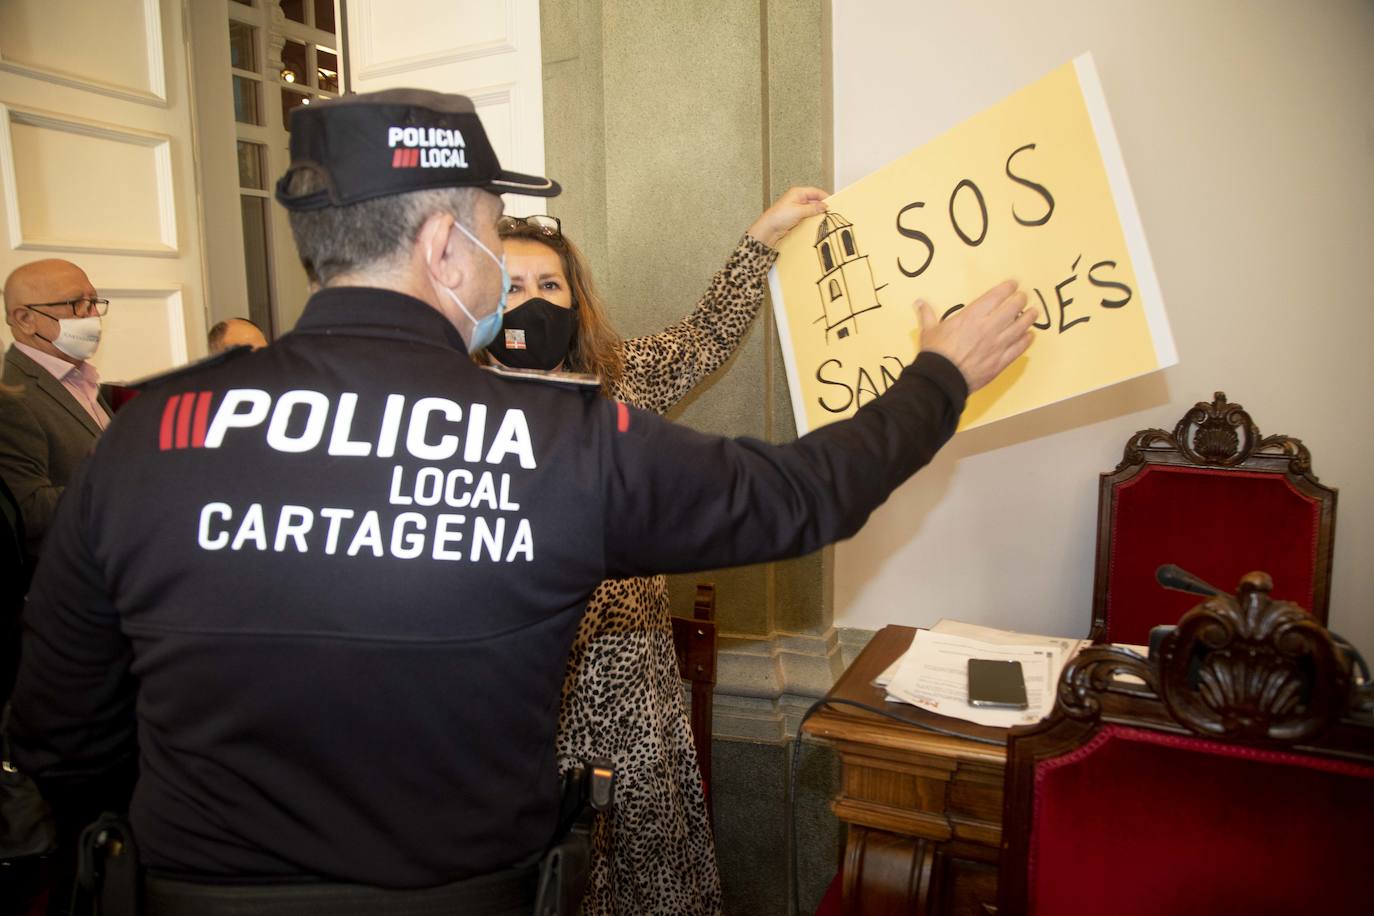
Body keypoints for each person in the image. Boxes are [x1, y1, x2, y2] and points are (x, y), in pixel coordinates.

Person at [8, 88, 1034, 915]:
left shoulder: (149, 432)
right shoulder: (562, 445)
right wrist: (939, 376)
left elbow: (62, 730)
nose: (509, 264)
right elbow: (802, 496)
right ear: (446, 247)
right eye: (498, 230)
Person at [492, 190, 823, 915]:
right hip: (520, 694)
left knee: (644, 864)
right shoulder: (454, 407)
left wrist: (762, 236)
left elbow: (706, 336)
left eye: (551, 285)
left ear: (576, 300)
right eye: (512, 286)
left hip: (630, 676)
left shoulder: (622, 380)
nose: (534, 302)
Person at [0, 259, 111, 562]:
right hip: (76, 580)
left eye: (93, 302)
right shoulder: (11, 395)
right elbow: (28, 510)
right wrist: (126, 483)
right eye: (76, 303)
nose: (91, 315)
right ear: (25, 319)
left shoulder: (80, 378)